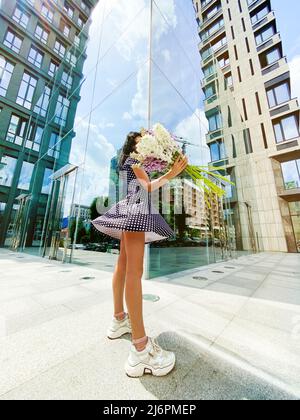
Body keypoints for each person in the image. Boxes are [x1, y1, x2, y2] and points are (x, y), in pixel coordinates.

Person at [92, 131, 188, 377]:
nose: (149, 138)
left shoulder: (130, 161)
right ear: (135, 143)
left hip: (130, 207)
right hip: (135, 209)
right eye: (144, 136)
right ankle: (141, 349)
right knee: (134, 272)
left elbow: (142, 185)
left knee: (123, 267)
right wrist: (171, 174)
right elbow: (146, 187)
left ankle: (118, 319)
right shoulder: (134, 159)